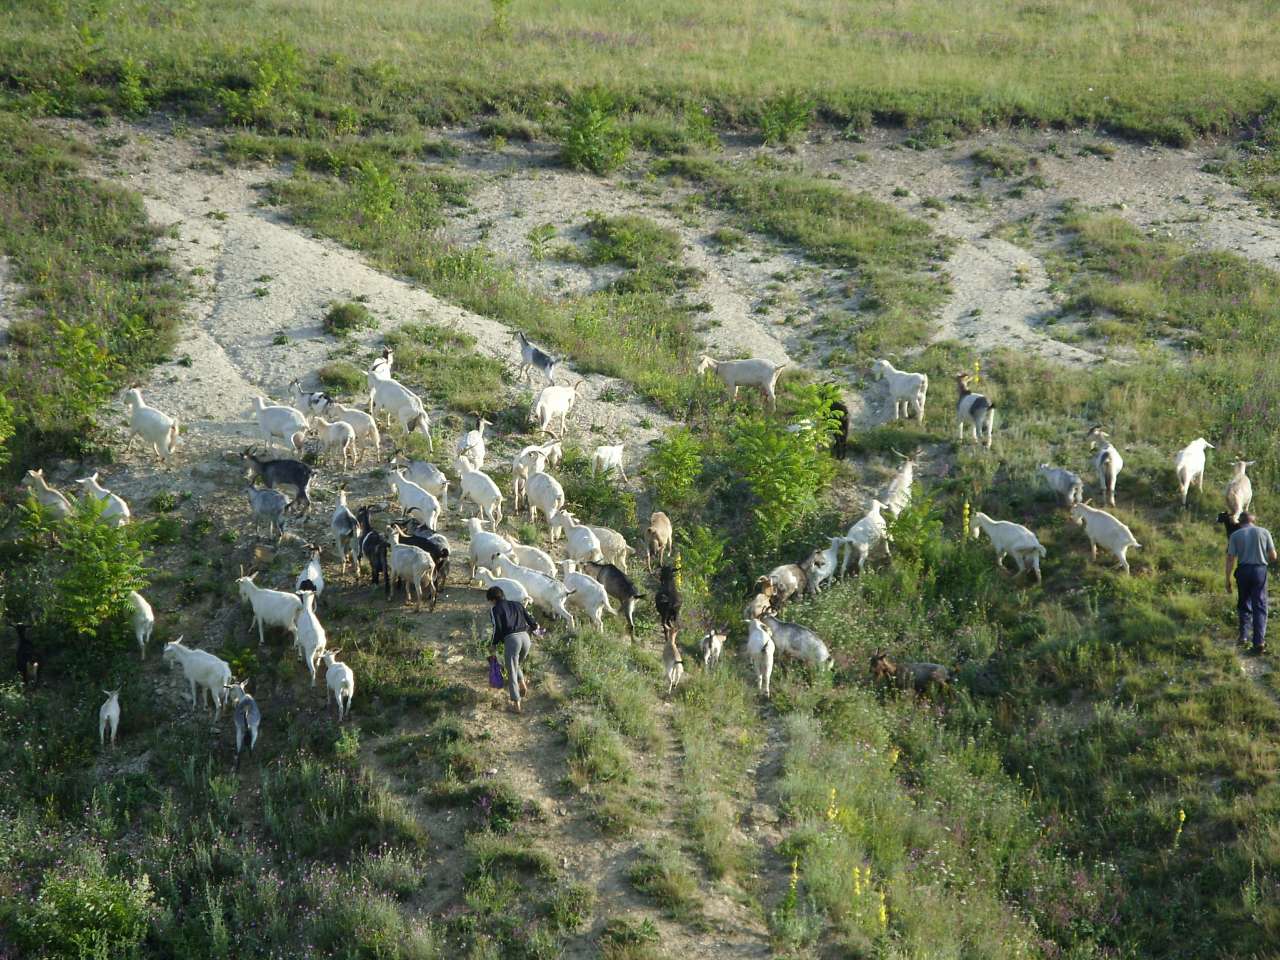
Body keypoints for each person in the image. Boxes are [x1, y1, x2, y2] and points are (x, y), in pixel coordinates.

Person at [1226, 512, 1277, 655]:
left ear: (1240, 522)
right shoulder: (1264, 532)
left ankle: (1243, 636)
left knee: (1244, 603)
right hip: (1259, 570)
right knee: (1259, 605)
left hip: (1243, 570)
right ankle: (1259, 642)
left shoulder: (1235, 535)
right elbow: (1273, 556)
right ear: (1253, 521)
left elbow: (1230, 558)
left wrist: (1227, 579)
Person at [487, 586, 542, 712]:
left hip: (512, 640)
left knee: (511, 670)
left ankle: (516, 704)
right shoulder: (517, 604)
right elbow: (532, 622)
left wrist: (494, 643)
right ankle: (522, 683)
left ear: (492, 599)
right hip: (526, 639)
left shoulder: (495, 609)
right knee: (515, 664)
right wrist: (533, 629)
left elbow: (497, 628)